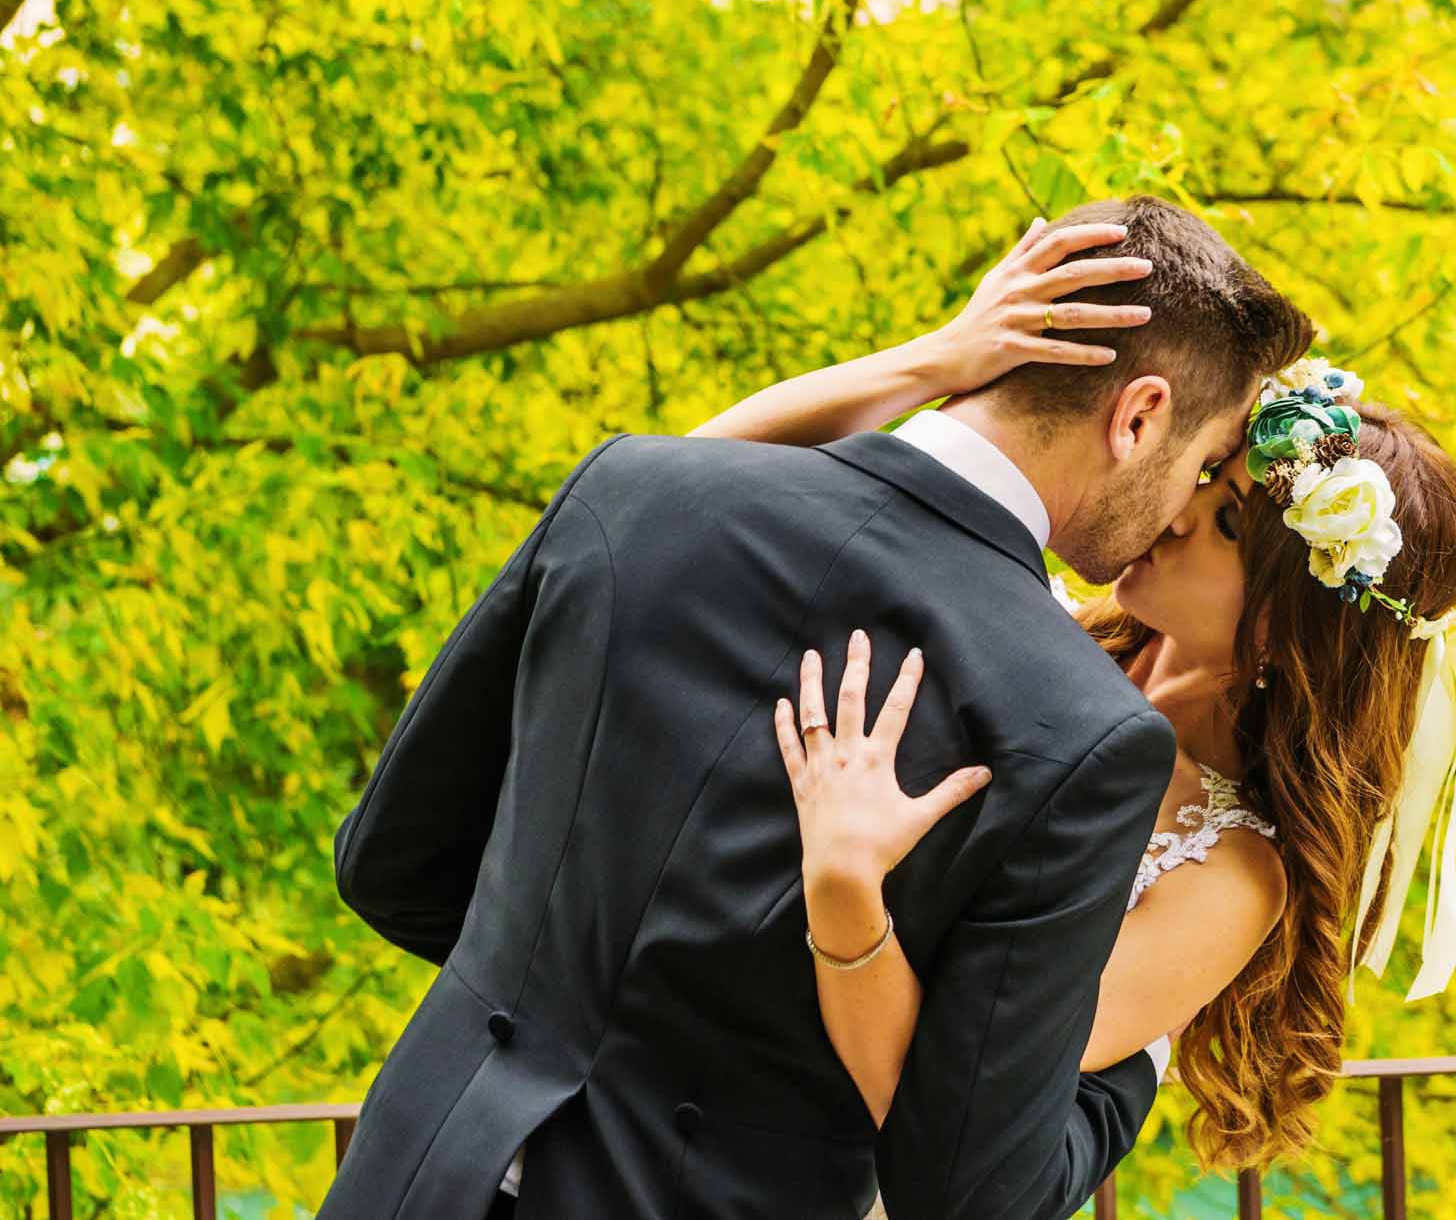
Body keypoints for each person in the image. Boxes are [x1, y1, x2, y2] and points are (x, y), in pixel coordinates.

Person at [320, 194, 1315, 1220]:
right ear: (1139, 413)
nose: (1179, 503)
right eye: (1198, 464)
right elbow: (967, 1188)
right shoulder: (1080, 732)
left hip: (414, 1176)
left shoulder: (634, 489)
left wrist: (542, 995)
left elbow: (391, 865)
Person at [727, 316, 1456, 1215]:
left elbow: (956, 1110)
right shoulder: (1029, 611)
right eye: (1207, 475)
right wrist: (935, 361)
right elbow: (703, 483)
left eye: (1230, 523)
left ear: (1292, 623)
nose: (1179, 512)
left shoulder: (1232, 871)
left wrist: (847, 891)